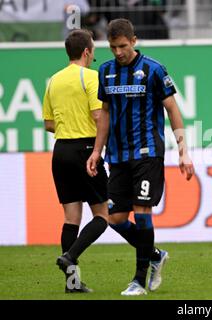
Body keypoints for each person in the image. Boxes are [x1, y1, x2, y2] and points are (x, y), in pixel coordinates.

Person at [86, 18, 194, 295]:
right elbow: (105, 114)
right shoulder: (106, 71)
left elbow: (172, 110)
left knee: (142, 212)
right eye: (112, 47)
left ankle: (138, 280)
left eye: (122, 46)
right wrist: (97, 151)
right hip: (118, 155)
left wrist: (183, 151)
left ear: (133, 41)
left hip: (148, 153)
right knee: (116, 218)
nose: (118, 52)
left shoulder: (154, 70)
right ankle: (155, 255)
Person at [42, 29, 109, 293]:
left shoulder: (54, 81)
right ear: (86, 52)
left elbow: (49, 123)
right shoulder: (90, 77)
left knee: (71, 219)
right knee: (103, 216)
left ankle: (72, 283)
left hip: (60, 151)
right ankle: (70, 256)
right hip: (86, 150)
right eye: (92, 50)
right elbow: (98, 116)